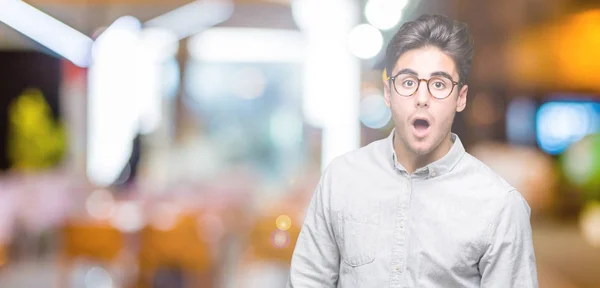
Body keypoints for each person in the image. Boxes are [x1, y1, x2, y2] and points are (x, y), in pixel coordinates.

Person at [287, 14, 538, 287]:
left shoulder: (500, 206)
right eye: (408, 82)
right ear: (388, 93)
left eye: (439, 84)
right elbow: (308, 280)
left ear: (461, 98)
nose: (422, 98)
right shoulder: (341, 178)